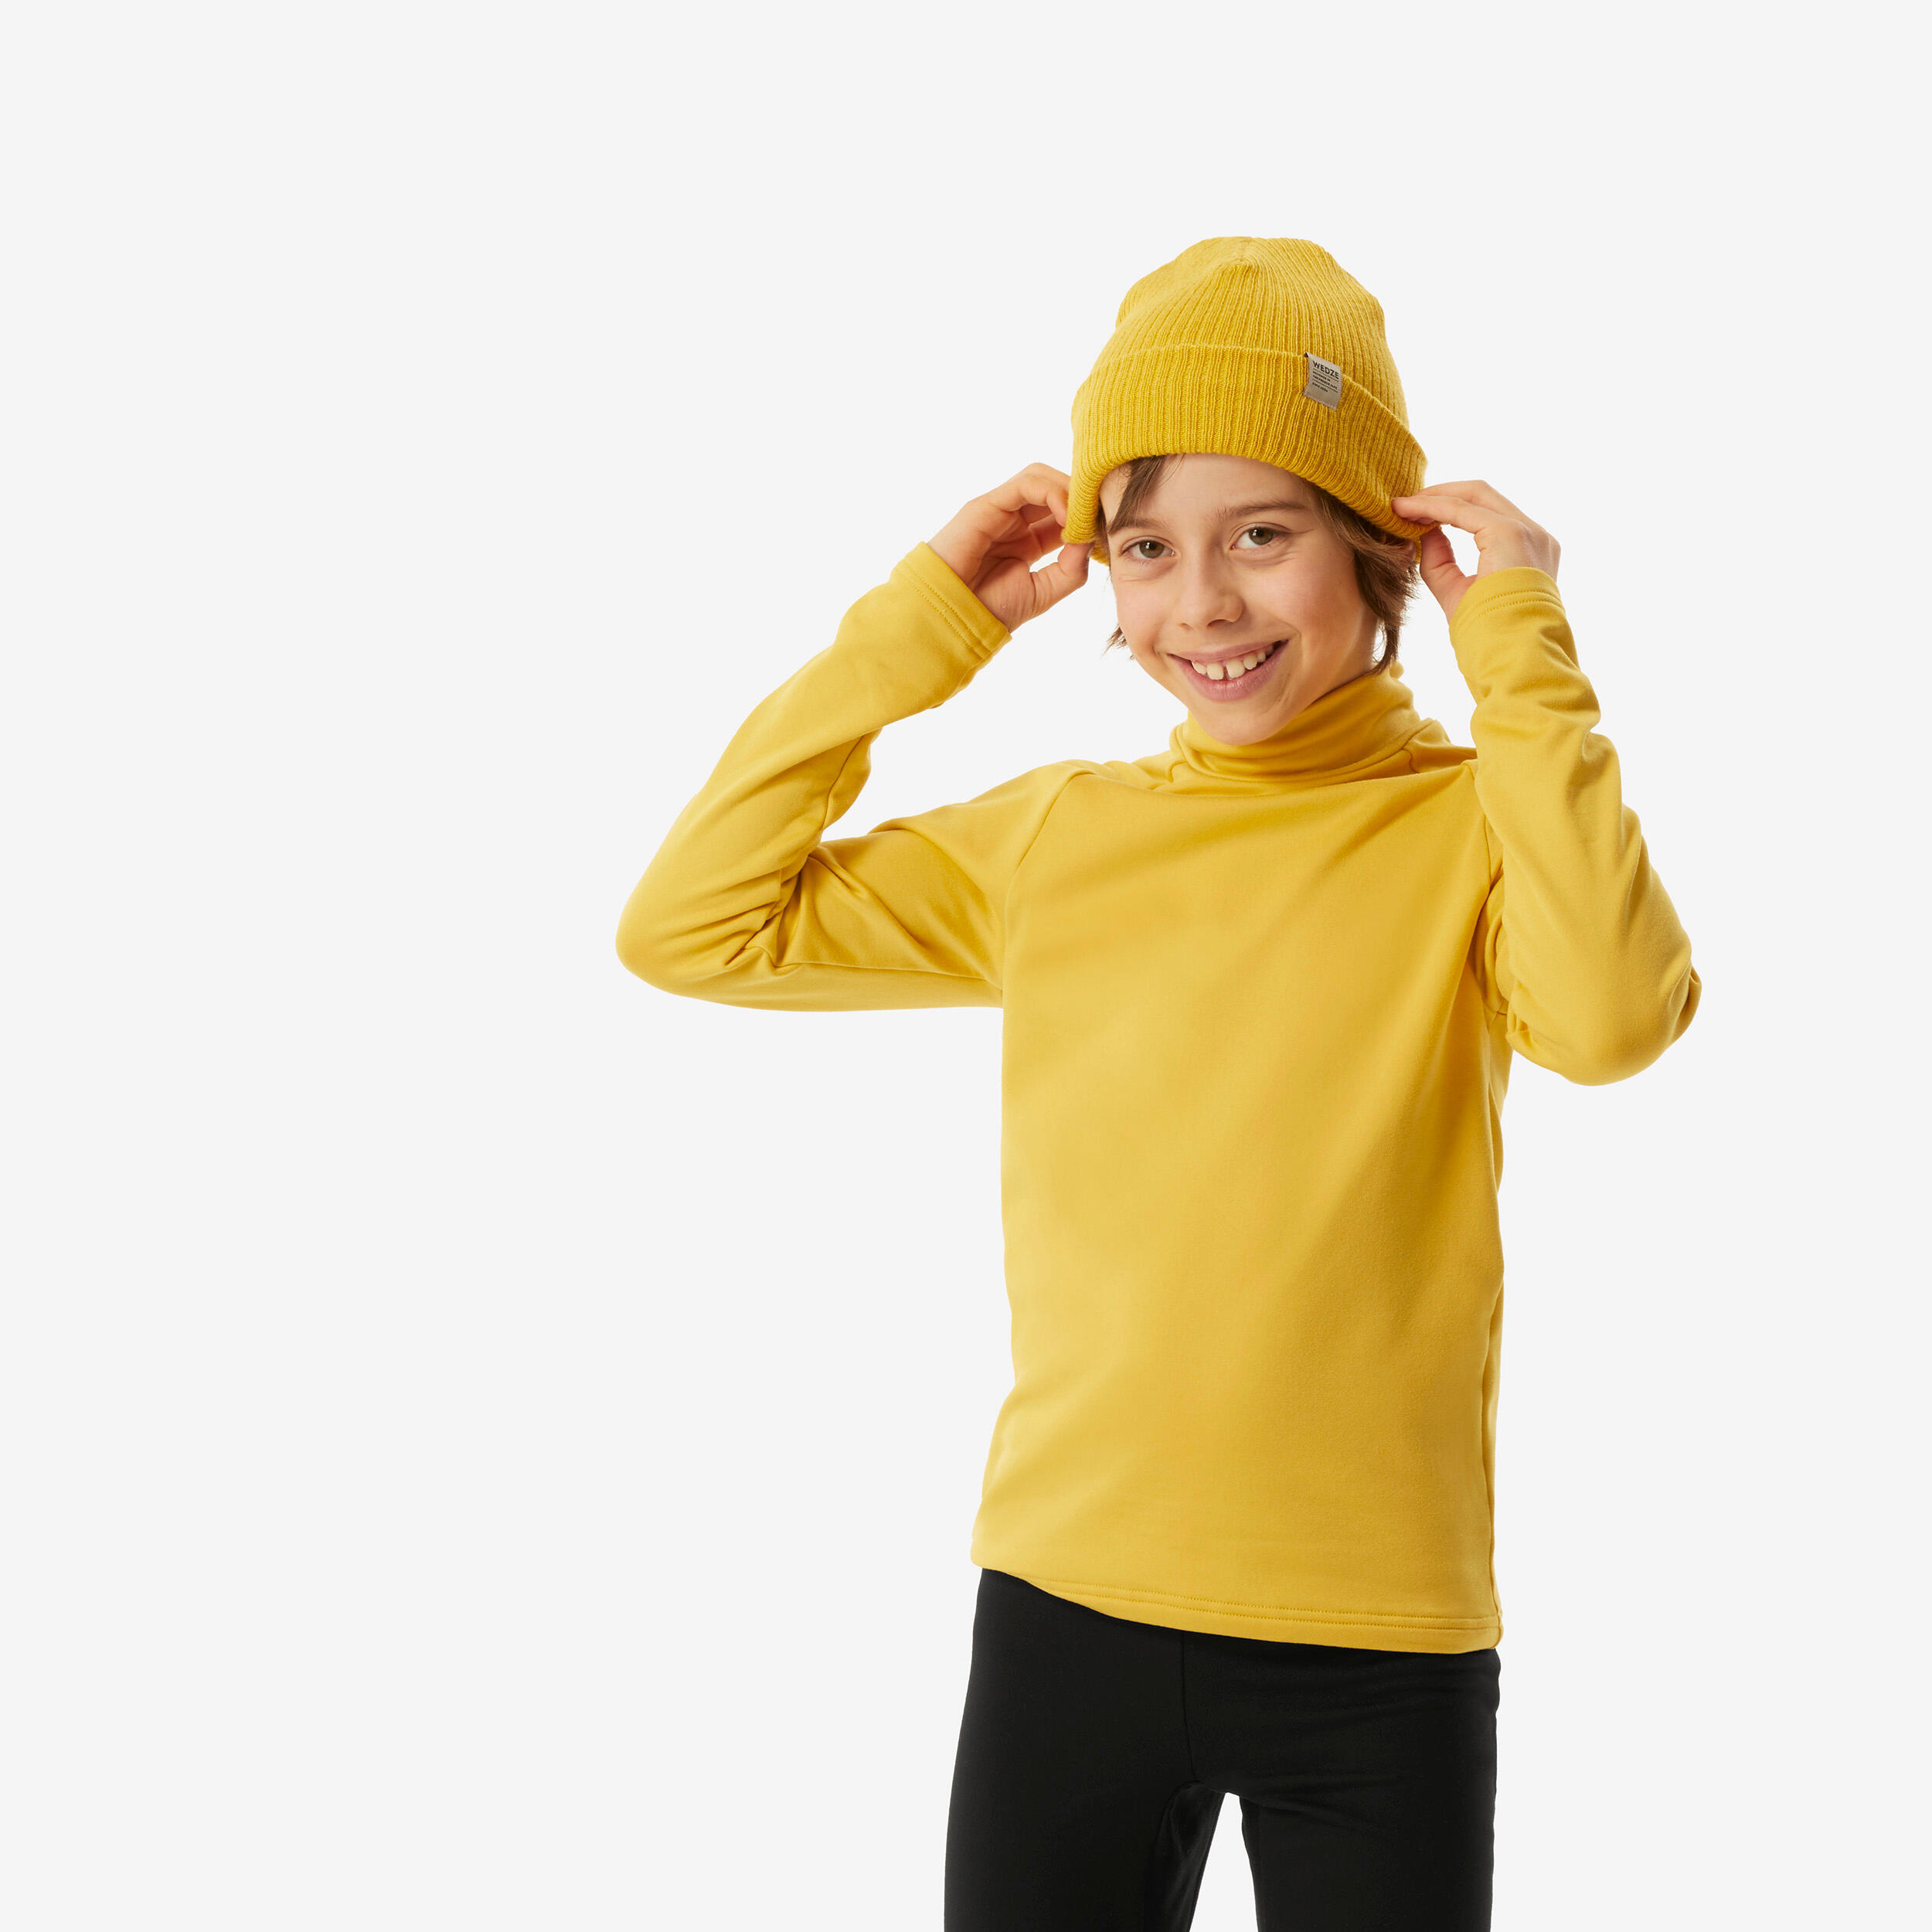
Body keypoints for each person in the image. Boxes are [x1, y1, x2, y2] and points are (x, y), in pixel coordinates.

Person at [615, 236, 1702, 1931]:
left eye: (1261, 534)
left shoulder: (1477, 830)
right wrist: (920, 632)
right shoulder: (1058, 836)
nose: (1200, 603)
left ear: (1380, 546)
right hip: (1069, 1609)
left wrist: (1521, 652)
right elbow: (692, 925)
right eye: (1144, 547)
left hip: (1378, 1643)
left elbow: (1618, 1019)